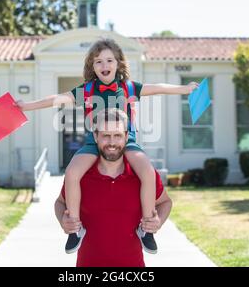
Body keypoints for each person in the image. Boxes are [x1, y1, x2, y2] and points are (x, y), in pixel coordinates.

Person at [16, 38, 199, 254]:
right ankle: (75, 229)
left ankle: (147, 229)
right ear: (92, 67)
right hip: (95, 141)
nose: (104, 66)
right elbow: (56, 98)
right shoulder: (87, 90)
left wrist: (185, 89)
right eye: (98, 62)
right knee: (73, 172)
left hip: (126, 140)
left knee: (148, 172)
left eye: (109, 60)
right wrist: (27, 106)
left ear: (118, 63)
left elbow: (158, 88)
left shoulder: (128, 87)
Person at [54, 108, 173, 267]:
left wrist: (158, 221)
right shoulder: (81, 176)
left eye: (117, 135)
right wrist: (64, 220)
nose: (111, 142)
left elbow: (165, 202)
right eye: (105, 135)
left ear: (126, 137)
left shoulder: (142, 176)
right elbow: (60, 203)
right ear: (95, 137)